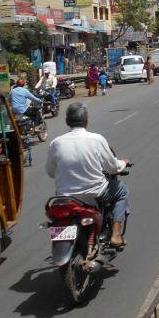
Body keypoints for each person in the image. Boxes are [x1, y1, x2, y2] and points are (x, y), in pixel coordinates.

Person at [46, 102, 130, 247]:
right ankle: (116, 235)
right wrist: (123, 162)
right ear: (87, 121)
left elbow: (51, 171)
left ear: (67, 121)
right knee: (122, 190)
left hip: (64, 196)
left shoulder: (56, 143)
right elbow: (113, 167)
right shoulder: (96, 139)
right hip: (95, 194)